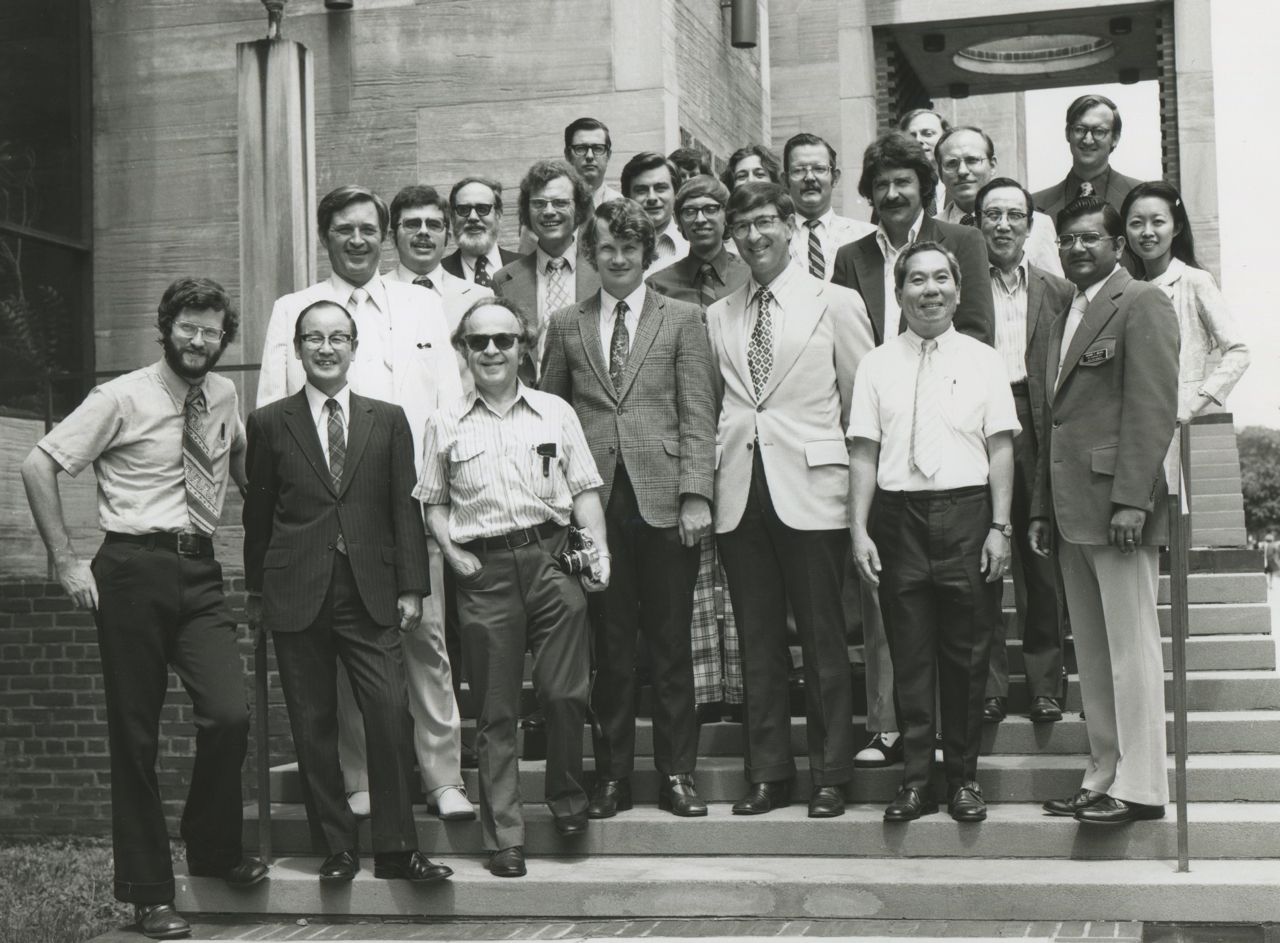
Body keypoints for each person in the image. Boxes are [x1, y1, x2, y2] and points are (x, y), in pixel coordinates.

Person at [20, 277, 265, 940]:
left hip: (201, 566)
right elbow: (39, 465)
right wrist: (66, 558)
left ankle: (212, 847)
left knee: (229, 713)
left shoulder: (222, 393)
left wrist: (262, 500)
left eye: (211, 330)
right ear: (167, 327)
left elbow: (236, 453)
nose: (199, 340)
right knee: (136, 735)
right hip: (130, 568)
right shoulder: (120, 395)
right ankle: (149, 891)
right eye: (188, 326)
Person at [257, 184, 468, 822]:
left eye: (368, 229)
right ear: (326, 237)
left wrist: (440, 506)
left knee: (426, 646)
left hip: (410, 511)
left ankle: (442, 778)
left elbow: (449, 409)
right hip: (327, 521)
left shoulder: (423, 305)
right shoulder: (295, 309)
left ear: (385, 236)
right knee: (346, 660)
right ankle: (362, 779)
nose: (357, 240)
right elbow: (270, 417)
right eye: (343, 229)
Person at [244, 299, 453, 886]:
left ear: (355, 348)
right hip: (295, 592)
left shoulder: (387, 419)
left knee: (388, 716)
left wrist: (413, 588)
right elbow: (257, 516)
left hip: (372, 591)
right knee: (313, 726)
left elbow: (402, 510)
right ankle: (335, 847)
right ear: (299, 348)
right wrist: (257, 592)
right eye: (314, 338)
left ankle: (395, 849)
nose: (327, 348)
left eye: (338, 337)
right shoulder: (269, 423)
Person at [416, 297, 609, 878]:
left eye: (504, 339)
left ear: (523, 346)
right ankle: (506, 835)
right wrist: (452, 554)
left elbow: (584, 490)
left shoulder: (555, 412)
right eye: (480, 342)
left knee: (564, 693)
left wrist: (599, 552)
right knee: (496, 711)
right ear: (464, 350)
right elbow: (433, 504)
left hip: (551, 560)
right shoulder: (443, 421)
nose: (493, 350)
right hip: (485, 572)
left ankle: (568, 799)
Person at [542, 198, 717, 819]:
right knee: (611, 651)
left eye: (630, 249)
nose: (618, 258)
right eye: (607, 248)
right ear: (590, 254)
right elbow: (551, 419)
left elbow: (699, 411)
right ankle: (612, 776)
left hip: (667, 500)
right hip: (593, 507)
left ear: (648, 255)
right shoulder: (567, 323)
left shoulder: (683, 318)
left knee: (669, 646)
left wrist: (698, 493)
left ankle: (677, 775)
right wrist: (555, 506)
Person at [707, 181, 874, 818]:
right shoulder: (718, 315)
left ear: (789, 227)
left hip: (815, 490)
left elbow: (862, 412)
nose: (754, 235)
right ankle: (769, 772)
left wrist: (862, 506)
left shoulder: (837, 303)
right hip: (740, 494)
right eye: (742, 226)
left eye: (765, 223)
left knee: (825, 638)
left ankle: (831, 773)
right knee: (757, 642)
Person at [831, 130, 994, 769]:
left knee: (960, 627)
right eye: (882, 184)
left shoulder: (965, 243)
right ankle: (892, 729)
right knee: (889, 611)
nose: (893, 192)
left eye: (904, 181)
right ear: (869, 194)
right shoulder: (852, 256)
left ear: (924, 186)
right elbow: (849, 345)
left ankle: (960, 744)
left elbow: (975, 331)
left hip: (952, 444)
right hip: (883, 438)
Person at [849, 242, 1018, 823]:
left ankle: (964, 780)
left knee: (968, 656)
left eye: (941, 278)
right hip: (897, 520)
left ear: (958, 289)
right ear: (899, 294)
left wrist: (1000, 526)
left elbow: (1000, 447)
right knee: (910, 655)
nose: (930, 290)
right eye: (916, 280)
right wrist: (859, 530)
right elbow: (865, 453)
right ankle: (916, 782)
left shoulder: (983, 359)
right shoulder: (876, 363)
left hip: (969, 516)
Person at [1032, 197, 1180, 825]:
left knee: (1131, 650)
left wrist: (1131, 502)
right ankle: (1103, 774)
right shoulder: (1069, 309)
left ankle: (1142, 787)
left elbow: (1151, 411)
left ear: (1120, 245)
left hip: (1118, 509)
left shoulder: (1142, 301)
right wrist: (1041, 508)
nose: (1077, 249)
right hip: (1071, 511)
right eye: (1067, 240)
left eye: (1091, 238)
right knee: (1092, 653)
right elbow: (1055, 424)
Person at [646, 174, 750, 721]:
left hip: (740, 434)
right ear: (678, 221)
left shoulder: (750, 273)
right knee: (694, 578)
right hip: (683, 435)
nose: (702, 219)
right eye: (691, 211)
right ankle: (705, 690)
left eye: (712, 209)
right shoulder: (659, 284)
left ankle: (743, 685)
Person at [974, 177, 1075, 725]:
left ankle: (1044, 685)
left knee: (1040, 562)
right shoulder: (962, 286)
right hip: (976, 429)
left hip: (1037, 424)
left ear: (1031, 225)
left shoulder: (1057, 291)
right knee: (981, 564)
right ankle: (988, 687)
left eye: (1014, 215)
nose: (1004, 225)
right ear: (977, 223)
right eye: (993, 215)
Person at [1121, 180, 1250, 422]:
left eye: (1157, 222)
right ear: (1125, 232)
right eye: (1136, 223)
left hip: (1175, 420)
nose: (1147, 232)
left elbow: (1239, 351)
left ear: (1177, 227)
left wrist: (1192, 405)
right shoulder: (1129, 289)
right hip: (1132, 421)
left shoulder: (1195, 281)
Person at [491, 159, 600, 372]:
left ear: (578, 208)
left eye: (560, 203)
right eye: (539, 203)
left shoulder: (603, 272)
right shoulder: (504, 281)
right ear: (526, 211)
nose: (549, 211)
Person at [934, 126, 1063, 276]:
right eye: (952, 163)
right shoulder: (929, 230)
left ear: (993, 165)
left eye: (972, 160)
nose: (962, 171)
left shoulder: (1038, 226)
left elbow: (1055, 292)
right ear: (940, 173)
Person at [385, 184, 493, 334]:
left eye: (434, 225)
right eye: (412, 224)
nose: (423, 231)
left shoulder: (479, 298)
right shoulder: (373, 294)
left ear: (447, 239)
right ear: (392, 237)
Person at [1032, 94, 1140, 222]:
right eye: (1080, 129)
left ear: (1115, 138)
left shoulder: (1140, 197)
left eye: (1099, 131)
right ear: (1068, 133)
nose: (1088, 140)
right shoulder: (1033, 206)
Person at [783, 132, 874, 282]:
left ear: (835, 177)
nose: (810, 178)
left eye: (819, 169)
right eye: (799, 170)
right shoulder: (772, 238)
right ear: (785, 180)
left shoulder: (867, 236)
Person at [440, 175, 521, 286]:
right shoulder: (438, 273)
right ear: (453, 218)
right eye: (463, 209)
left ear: (498, 214)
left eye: (482, 209)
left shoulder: (527, 268)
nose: (473, 217)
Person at [621, 151, 688, 273]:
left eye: (660, 188)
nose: (652, 198)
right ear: (627, 198)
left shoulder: (691, 245)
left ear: (676, 193)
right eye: (641, 190)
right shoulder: (613, 247)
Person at [898, 108, 950, 215]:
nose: (918, 140)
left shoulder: (961, 185)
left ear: (945, 138)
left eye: (928, 134)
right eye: (912, 136)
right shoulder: (893, 189)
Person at [565, 116, 622, 208]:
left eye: (598, 148)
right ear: (567, 155)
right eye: (581, 149)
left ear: (608, 155)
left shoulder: (621, 205)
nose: (589, 156)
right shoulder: (555, 204)